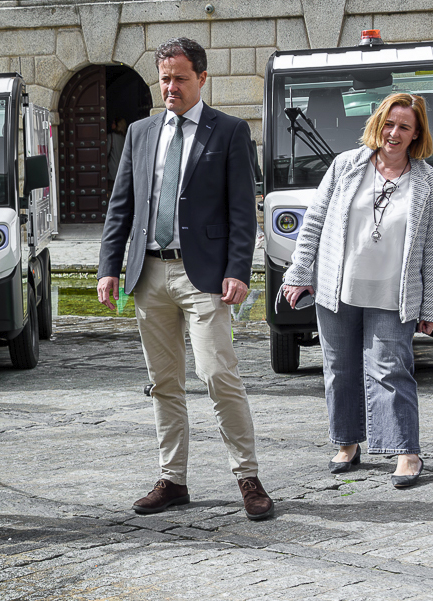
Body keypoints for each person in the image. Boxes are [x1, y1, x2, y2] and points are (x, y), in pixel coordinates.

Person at [96, 37, 273, 520]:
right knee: (163, 382)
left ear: (202, 78)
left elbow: (243, 210)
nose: (170, 87)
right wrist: (109, 266)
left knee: (218, 374)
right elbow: (121, 205)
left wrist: (238, 270)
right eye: (164, 78)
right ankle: (172, 479)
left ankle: (248, 477)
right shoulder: (141, 132)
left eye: (180, 78)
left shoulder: (230, 131)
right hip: (148, 273)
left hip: (205, 278)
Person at [282, 93, 433, 488]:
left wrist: (429, 306)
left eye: (404, 127)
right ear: (377, 124)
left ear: (416, 135)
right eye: (388, 123)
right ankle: (347, 443)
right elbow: (314, 222)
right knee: (339, 368)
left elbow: (432, 251)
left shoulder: (427, 182)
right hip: (338, 288)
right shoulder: (346, 165)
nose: (394, 133)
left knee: (391, 369)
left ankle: (406, 451)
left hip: (393, 294)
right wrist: (299, 272)